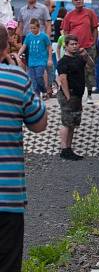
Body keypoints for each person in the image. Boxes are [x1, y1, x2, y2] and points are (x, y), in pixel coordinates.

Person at [0, 23, 47, 272]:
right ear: (7, 46)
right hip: (7, 196)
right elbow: (39, 124)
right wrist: (22, 73)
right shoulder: (17, 79)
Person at [56, 34, 94, 160]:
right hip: (69, 94)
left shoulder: (79, 58)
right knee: (66, 122)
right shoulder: (63, 62)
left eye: (76, 44)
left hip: (77, 95)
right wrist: (68, 97)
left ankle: (69, 148)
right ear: (66, 46)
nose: (74, 46)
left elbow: (91, 65)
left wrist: (86, 55)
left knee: (73, 123)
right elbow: (63, 79)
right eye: (71, 44)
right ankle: (64, 149)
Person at [62, 0, 99, 100]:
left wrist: (94, 42)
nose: (79, 1)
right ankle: (77, 93)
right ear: (73, 2)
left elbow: (95, 28)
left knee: (89, 70)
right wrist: (67, 45)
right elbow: (65, 31)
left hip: (88, 46)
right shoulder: (69, 15)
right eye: (76, 0)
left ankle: (90, 94)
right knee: (76, 71)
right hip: (74, 49)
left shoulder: (90, 13)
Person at [18, 19, 53, 99]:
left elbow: (49, 47)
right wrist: (19, 54)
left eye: (34, 28)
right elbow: (24, 46)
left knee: (39, 77)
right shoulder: (29, 36)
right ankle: (37, 96)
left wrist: (49, 59)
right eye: (31, 28)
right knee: (33, 80)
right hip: (31, 61)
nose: (32, 30)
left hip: (41, 60)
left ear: (38, 27)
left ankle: (44, 91)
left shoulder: (44, 36)